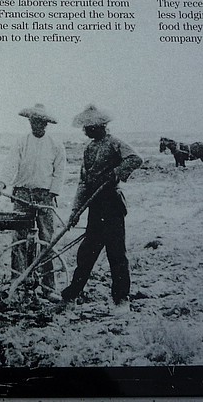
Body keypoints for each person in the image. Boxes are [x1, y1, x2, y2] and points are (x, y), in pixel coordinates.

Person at [61, 104, 142, 311]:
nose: (84, 131)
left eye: (87, 127)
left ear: (98, 126)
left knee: (116, 254)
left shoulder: (115, 143)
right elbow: (83, 182)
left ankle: (121, 299)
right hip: (94, 206)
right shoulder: (89, 149)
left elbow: (135, 159)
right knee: (87, 252)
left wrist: (117, 172)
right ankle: (72, 294)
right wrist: (75, 212)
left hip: (112, 205)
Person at [0, 103, 66, 302]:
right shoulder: (21, 142)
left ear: (46, 124)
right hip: (22, 196)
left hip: (44, 197)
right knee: (19, 239)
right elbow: (10, 164)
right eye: (33, 121)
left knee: (47, 241)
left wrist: (52, 194)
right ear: (29, 122)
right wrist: (1, 183)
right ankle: (18, 282)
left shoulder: (55, 145)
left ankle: (48, 287)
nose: (37, 125)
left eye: (40, 122)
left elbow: (59, 173)